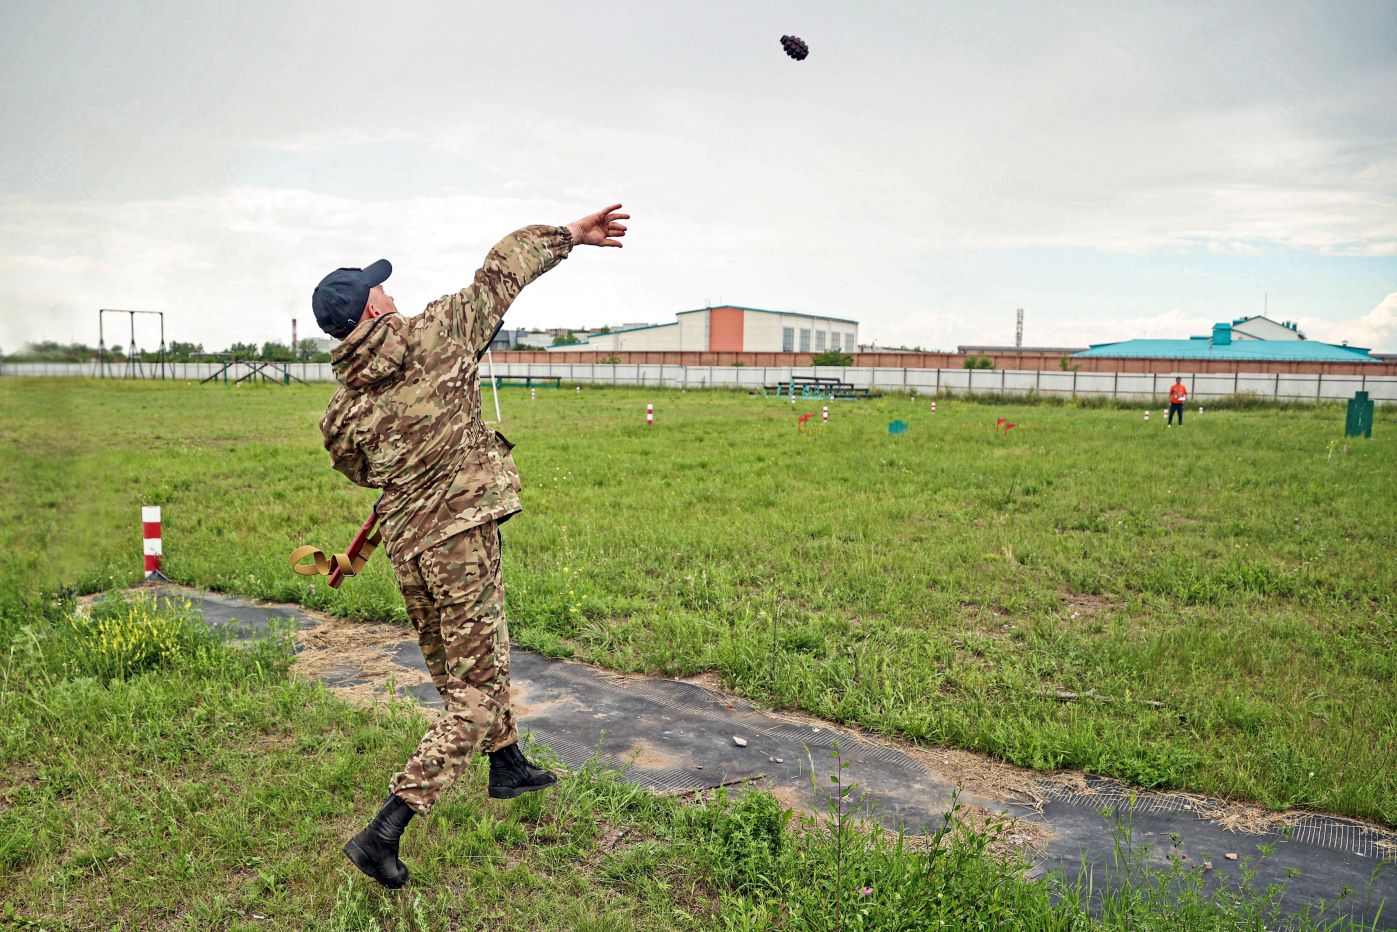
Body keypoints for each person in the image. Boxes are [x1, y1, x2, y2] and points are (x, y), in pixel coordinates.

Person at [311, 204, 630, 888]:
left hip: (408, 549)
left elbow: (356, 467)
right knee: (475, 695)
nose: (390, 292)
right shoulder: (438, 334)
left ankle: (507, 765)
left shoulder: (341, 409)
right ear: (371, 313)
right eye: (380, 291)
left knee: (461, 670)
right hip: (458, 543)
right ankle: (386, 827)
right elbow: (503, 269)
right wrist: (572, 234)